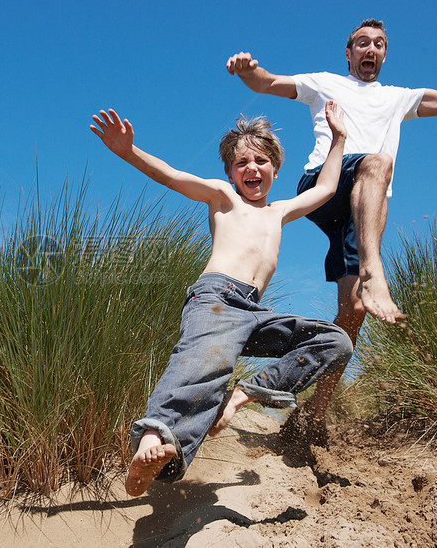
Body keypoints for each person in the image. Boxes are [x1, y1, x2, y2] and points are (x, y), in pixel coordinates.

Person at [225, 12, 437, 443]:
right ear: (349, 52)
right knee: (378, 163)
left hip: (361, 212)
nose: (371, 49)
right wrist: (248, 69)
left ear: (384, 55)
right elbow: (266, 82)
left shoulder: (398, 97)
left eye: (379, 44)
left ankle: (314, 411)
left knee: (352, 313)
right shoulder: (324, 83)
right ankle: (374, 271)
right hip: (325, 183)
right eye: (362, 43)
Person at [89, 101, 353, 497]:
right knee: (197, 368)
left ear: (275, 170)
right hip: (217, 298)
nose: (252, 168)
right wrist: (129, 151)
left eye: (261, 161)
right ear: (230, 172)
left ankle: (242, 395)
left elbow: (327, 187)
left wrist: (339, 138)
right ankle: (154, 442)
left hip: (254, 312)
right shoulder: (223, 198)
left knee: (335, 341)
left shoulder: (279, 211)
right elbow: (173, 176)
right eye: (242, 162)